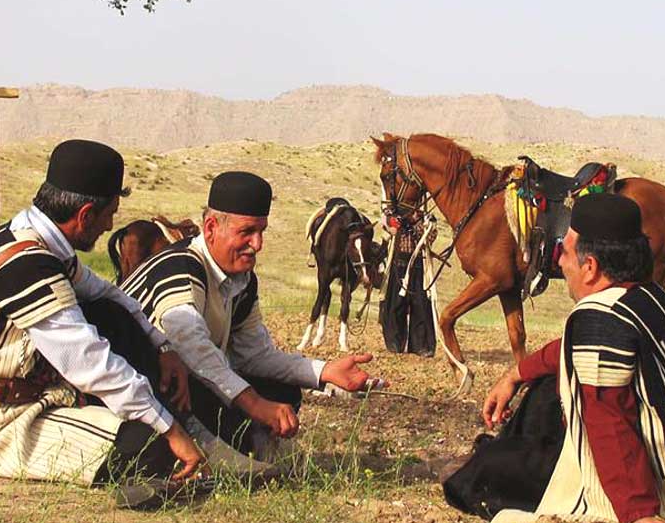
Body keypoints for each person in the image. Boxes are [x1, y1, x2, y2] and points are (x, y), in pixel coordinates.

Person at [0, 140, 208, 508]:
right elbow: (89, 362)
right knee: (148, 444)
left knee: (110, 315)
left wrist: (162, 347)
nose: (110, 226)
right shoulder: (29, 265)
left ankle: (183, 428)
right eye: (108, 214)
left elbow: (108, 294)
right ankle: (174, 451)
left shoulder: (30, 237)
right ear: (84, 215)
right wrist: (171, 430)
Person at [458, 193, 665, 523]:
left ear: (590, 267)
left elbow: (609, 419)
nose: (561, 264)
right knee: (544, 389)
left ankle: (484, 463)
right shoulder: (648, 296)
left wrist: (639, 511)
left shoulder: (598, 320)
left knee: (481, 478)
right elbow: (573, 350)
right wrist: (515, 374)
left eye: (563, 254)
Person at [121, 171, 381, 460]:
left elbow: (255, 355)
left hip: (186, 382)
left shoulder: (241, 280)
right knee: (198, 387)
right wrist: (256, 405)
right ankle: (220, 454)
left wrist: (324, 372)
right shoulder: (181, 265)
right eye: (246, 232)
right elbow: (190, 347)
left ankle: (249, 447)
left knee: (282, 389)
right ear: (210, 228)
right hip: (137, 388)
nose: (257, 245)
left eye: (261, 232)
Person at [379, 212, 436, 356]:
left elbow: (430, 238)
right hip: (398, 263)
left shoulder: (426, 218)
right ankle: (394, 344)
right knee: (395, 304)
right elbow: (387, 229)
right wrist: (396, 224)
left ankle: (421, 346)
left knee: (420, 305)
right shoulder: (393, 214)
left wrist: (417, 225)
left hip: (418, 265)